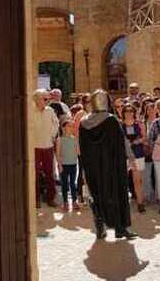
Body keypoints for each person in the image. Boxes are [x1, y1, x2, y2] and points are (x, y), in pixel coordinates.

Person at [79, 89, 137, 240]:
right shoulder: (111, 120)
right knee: (115, 194)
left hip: (93, 167)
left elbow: (82, 148)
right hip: (111, 167)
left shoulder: (84, 123)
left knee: (96, 194)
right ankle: (120, 229)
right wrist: (131, 158)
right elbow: (122, 142)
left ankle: (100, 228)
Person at [33, 89, 59, 208]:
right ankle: (36, 199)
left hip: (48, 146)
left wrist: (52, 135)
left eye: (47, 98)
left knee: (50, 174)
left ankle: (50, 198)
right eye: (45, 98)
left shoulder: (50, 111)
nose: (47, 100)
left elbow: (56, 123)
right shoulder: (31, 111)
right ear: (37, 99)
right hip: (35, 147)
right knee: (35, 175)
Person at [122, 103, 146, 213]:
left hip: (137, 154)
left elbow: (144, 137)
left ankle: (140, 203)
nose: (129, 113)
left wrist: (137, 141)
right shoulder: (120, 125)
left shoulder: (139, 124)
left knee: (138, 181)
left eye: (131, 111)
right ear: (123, 113)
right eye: (126, 111)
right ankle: (123, 204)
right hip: (124, 155)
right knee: (123, 180)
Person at [57, 119, 80, 212]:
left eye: (72, 126)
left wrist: (78, 142)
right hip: (64, 165)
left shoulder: (74, 139)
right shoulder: (60, 139)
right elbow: (58, 154)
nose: (71, 128)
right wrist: (60, 165)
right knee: (64, 184)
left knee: (73, 184)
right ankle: (65, 202)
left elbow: (78, 152)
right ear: (63, 128)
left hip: (73, 165)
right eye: (69, 126)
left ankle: (74, 201)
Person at [143, 100, 157, 203]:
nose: (151, 111)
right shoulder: (142, 122)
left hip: (157, 151)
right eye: (149, 109)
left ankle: (158, 195)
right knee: (147, 174)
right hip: (146, 152)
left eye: (153, 109)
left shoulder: (159, 122)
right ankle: (147, 195)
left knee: (157, 175)